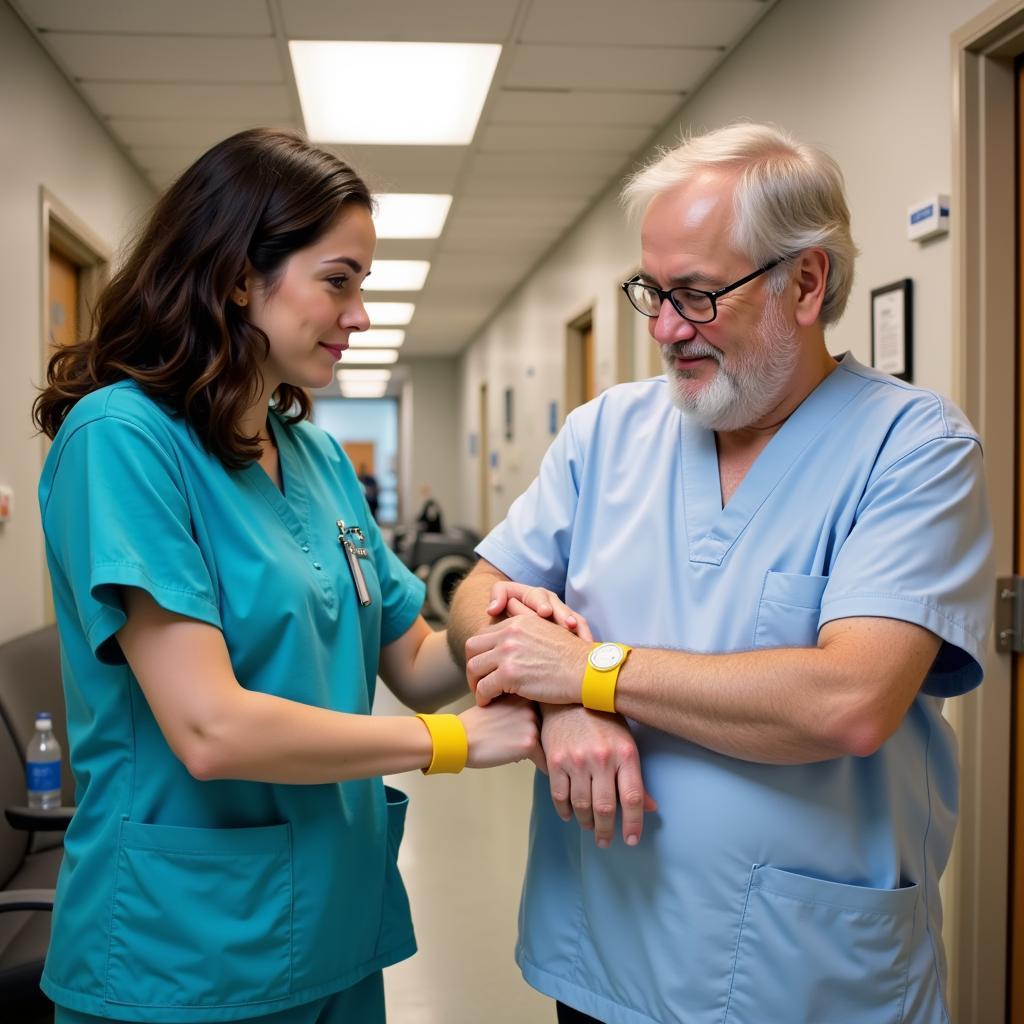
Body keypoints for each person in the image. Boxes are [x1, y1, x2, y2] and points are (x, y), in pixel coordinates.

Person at [448, 123, 994, 1024]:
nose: (664, 329)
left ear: (806, 282)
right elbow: (477, 596)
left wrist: (593, 673)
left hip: (801, 973)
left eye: (697, 296)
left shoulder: (913, 449)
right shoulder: (606, 433)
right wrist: (559, 703)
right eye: (652, 293)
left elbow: (848, 702)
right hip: (601, 951)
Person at [32, 128, 543, 1024]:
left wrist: (502, 613)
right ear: (237, 274)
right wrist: (456, 746)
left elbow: (418, 662)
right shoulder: (122, 441)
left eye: (363, 286)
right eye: (338, 280)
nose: (359, 314)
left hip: (335, 923)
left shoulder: (311, 455)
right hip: (184, 949)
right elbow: (210, 728)